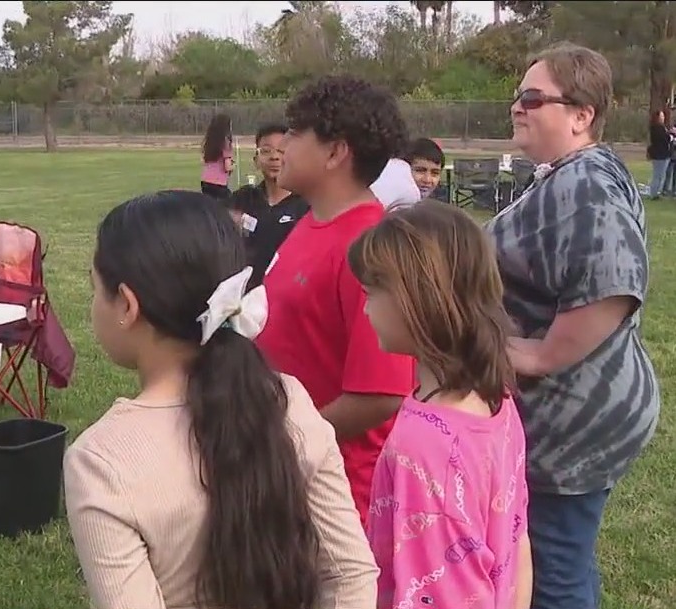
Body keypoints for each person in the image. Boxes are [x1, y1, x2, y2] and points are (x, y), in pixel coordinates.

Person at [65, 190, 377, 609]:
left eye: (94, 288)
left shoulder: (102, 462)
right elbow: (349, 575)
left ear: (126, 304)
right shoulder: (288, 401)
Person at [488, 43, 659, 609]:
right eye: (518, 95)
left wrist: (539, 357)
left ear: (581, 115)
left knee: (554, 569)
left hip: (574, 419)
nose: (518, 106)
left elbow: (613, 279)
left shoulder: (585, 182)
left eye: (533, 97)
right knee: (568, 555)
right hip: (582, 410)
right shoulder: (569, 174)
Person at [349, 202, 532, 609]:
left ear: (418, 301)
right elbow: (517, 542)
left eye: (372, 293)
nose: (365, 308)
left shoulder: (424, 448)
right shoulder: (496, 400)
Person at [257, 75, 416, 522]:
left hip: (336, 493)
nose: (281, 143)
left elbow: (382, 394)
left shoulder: (371, 246)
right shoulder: (310, 222)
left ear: (334, 151)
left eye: (294, 132)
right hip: (286, 472)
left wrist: (285, 439)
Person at [225, 122, 309, 287]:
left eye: (281, 151)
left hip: (287, 293)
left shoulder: (307, 205)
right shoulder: (242, 199)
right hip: (246, 296)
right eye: (266, 151)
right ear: (256, 160)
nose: (274, 157)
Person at [200, 113, 233, 199]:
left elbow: (204, 161)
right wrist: (233, 166)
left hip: (205, 181)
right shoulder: (225, 142)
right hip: (219, 184)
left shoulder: (209, 141)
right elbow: (227, 167)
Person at [646, 109, 670, 199]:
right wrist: (670, 137)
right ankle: (654, 193)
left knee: (660, 175)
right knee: (657, 174)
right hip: (659, 155)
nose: (663, 118)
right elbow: (664, 139)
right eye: (661, 116)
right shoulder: (657, 128)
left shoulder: (661, 127)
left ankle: (656, 192)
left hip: (662, 154)